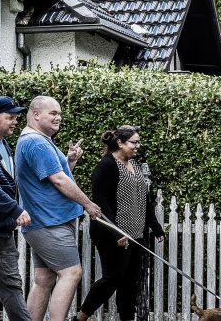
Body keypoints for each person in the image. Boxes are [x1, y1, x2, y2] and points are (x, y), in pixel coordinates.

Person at [14, 96, 102, 321]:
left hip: (43, 222)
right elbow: (59, 180)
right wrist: (88, 204)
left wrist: (69, 161)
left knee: (44, 280)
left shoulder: (36, 140)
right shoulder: (37, 142)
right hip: (50, 222)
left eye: (59, 113)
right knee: (72, 273)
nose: (58, 117)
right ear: (35, 114)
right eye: (52, 113)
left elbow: (49, 175)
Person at [75, 126, 164, 321]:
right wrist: (116, 232)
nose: (137, 146)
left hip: (135, 233)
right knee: (113, 277)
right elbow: (101, 202)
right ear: (120, 143)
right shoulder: (106, 166)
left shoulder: (136, 165)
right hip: (111, 233)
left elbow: (144, 198)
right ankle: (80, 318)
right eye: (133, 142)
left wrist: (154, 225)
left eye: (138, 142)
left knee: (130, 282)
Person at [0, 96, 33, 321]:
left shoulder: (4, 145)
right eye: (10, 117)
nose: (14, 122)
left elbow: (11, 182)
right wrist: (15, 209)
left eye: (16, 118)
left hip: (3, 231)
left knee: (12, 287)